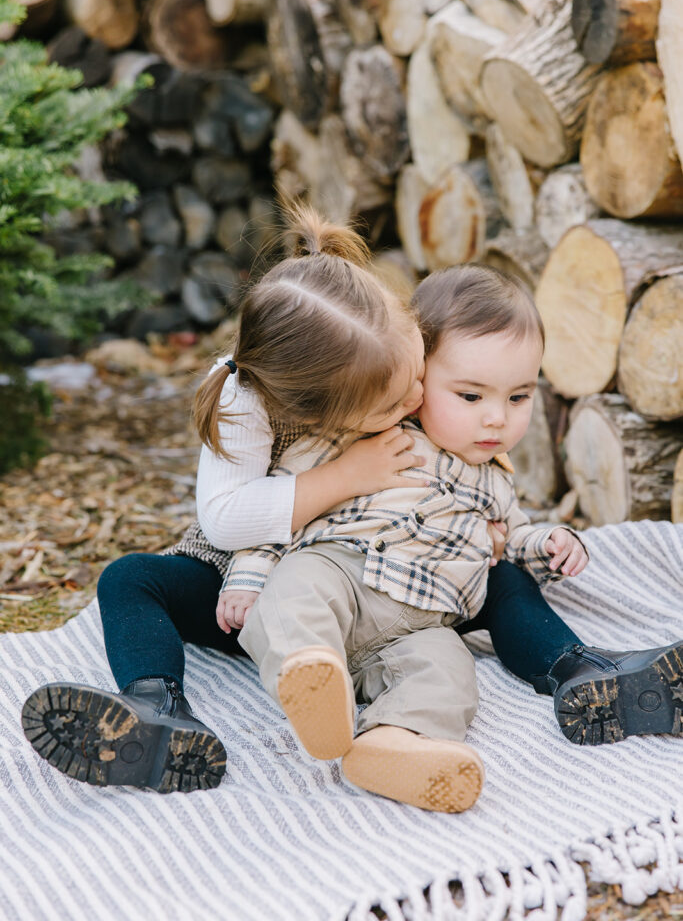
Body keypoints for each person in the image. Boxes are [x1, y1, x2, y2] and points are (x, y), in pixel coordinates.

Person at [225, 264, 683, 814]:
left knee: (449, 674)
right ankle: (311, 677)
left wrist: (551, 545)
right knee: (296, 592)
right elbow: (281, 506)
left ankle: (392, 743)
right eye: (470, 396)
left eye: (519, 397)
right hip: (342, 572)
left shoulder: (495, 481)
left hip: (423, 623)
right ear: (416, 378)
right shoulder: (369, 433)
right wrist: (248, 578)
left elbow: (516, 542)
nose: (497, 419)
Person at [20, 202, 430, 793]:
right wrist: (346, 475)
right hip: (242, 592)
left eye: (420, 369)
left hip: (347, 589)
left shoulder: (390, 351)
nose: (418, 397)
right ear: (311, 410)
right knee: (130, 579)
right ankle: (156, 711)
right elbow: (224, 520)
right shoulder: (247, 397)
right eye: (394, 404)